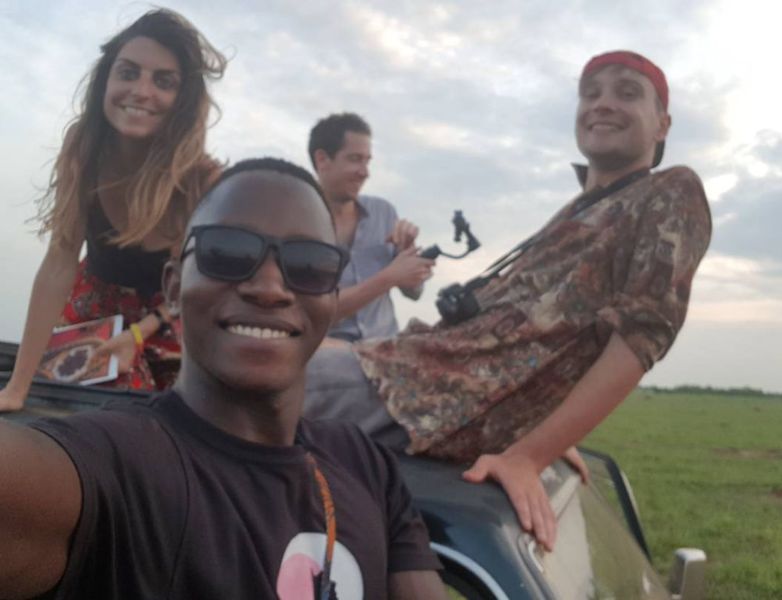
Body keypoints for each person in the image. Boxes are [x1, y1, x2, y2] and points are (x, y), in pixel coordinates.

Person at [304, 51, 713, 552]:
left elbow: (641, 335)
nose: (602, 104)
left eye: (627, 93)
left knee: (244, 383)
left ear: (662, 124)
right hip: (406, 366)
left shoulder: (672, 190)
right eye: (590, 93)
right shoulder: (584, 205)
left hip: (424, 397)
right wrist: (549, 432)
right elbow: (555, 333)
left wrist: (530, 454)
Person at [0, 157, 447, 600]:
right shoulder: (122, 466)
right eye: (227, 253)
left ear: (332, 296)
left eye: (310, 264)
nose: (269, 287)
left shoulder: (367, 467)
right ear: (173, 289)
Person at [0, 9, 225, 412]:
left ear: (183, 99)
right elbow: (58, 264)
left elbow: (199, 287)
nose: (141, 90)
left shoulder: (199, 180)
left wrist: (138, 335)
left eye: (163, 81)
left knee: (141, 414)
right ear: (106, 80)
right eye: (128, 73)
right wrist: (18, 386)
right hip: (95, 308)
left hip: (168, 319)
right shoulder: (83, 147)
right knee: (63, 404)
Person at [308, 112, 435, 342]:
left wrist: (407, 255)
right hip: (327, 351)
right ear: (322, 160)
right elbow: (314, 313)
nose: (365, 172)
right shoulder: (298, 224)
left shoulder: (383, 212)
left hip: (387, 347)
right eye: (355, 159)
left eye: (367, 161)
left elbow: (414, 292)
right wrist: (389, 276)